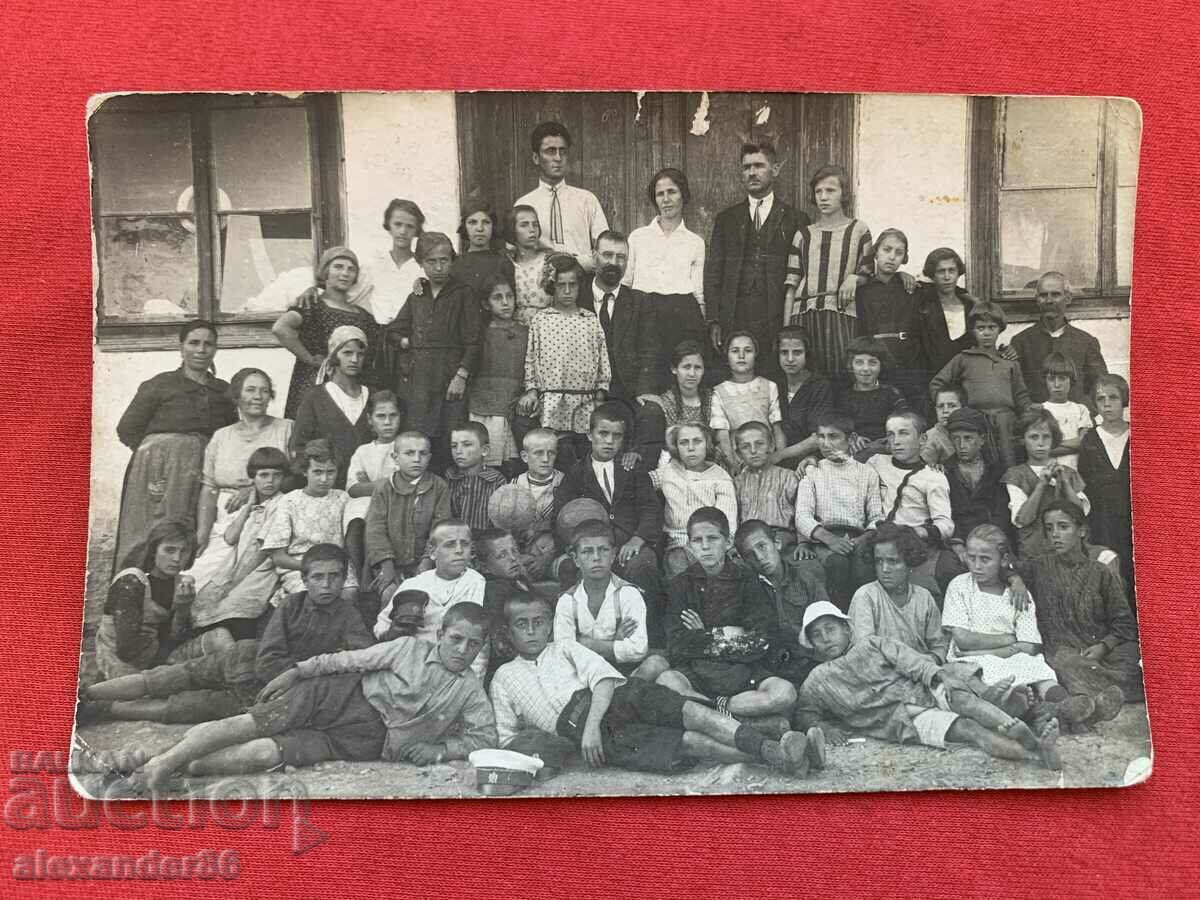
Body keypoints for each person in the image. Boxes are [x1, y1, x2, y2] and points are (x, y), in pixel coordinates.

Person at [128, 603, 496, 789]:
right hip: (340, 695)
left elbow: (485, 737)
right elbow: (346, 661)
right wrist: (298, 671)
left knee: (264, 752)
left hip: (368, 740)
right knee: (253, 724)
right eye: (456, 639)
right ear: (441, 633)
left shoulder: (470, 692)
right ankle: (162, 763)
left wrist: (441, 750)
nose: (462, 650)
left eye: (473, 644)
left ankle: (179, 764)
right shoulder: (407, 648)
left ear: (481, 647)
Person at [491, 592, 821, 777]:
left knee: (693, 714)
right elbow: (507, 739)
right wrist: (546, 753)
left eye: (539, 622)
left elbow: (604, 680)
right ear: (508, 632)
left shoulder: (564, 647)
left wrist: (591, 726)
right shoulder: (504, 679)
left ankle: (774, 747)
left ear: (549, 624)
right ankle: (782, 755)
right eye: (522, 624)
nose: (532, 631)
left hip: (613, 699)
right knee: (692, 743)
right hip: (585, 734)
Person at [82, 545, 378, 726]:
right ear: (304, 579)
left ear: (344, 578)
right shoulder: (290, 605)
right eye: (318, 577)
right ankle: (86, 695)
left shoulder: (349, 615)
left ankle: (105, 710)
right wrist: (300, 675)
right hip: (241, 659)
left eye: (334, 577)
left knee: (184, 709)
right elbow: (269, 654)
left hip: (262, 694)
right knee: (168, 678)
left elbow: (362, 658)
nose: (326, 585)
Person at [794, 602, 1062, 770]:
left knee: (962, 698)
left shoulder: (870, 645)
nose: (826, 638)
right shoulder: (817, 679)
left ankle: (1016, 727)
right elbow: (805, 712)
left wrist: (938, 676)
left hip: (920, 690)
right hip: (901, 722)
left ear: (846, 629)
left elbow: (909, 661)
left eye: (830, 629)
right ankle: (1038, 754)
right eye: (817, 635)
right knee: (970, 730)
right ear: (812, 645)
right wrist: (823, 728)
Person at [114, 320, 238, 569]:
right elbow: (127, 428)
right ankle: (137, 589)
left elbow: (230, 433)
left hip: (203, 471)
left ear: (215, 349)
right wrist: (160, 456)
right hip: (157, 472)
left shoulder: (223, 391)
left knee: (192, 526)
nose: (201, 350)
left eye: (208, 344)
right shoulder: (160, 384)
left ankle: (183, 593)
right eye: (194, 343)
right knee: (151, 529)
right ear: (181, 347)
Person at [657, 508, 796, 724]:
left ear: (728, 541)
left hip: (743, 673)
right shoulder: (680, 585)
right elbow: (677, 645)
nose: (705, 546)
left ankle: (718, 711)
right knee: (666, 681)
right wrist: (723, 634)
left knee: (784, 693)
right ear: (689, 545)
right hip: (697, 674)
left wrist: (702, 635)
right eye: (697, 540)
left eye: (712, 538)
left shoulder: (747, 580)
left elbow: (762, 639)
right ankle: (747, 721)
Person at [941, 526, 1084, 725]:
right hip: (971, 661)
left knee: (1038, 669)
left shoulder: (1017, 595)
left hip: (1010, 656)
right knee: (981, 677)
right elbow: (964, 640)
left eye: (985, 559)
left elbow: (1030, 645)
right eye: (971, 557)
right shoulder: (960, 586)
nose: (976, 566)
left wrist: (1009, 648)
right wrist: (1009, 640)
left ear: (1004, 560)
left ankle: (1067, 707)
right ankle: (1033, 714)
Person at [1015, 501, 1141, 724]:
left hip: (1100, 648)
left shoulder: (1100, 572)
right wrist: (1014, 579)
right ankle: (1098, 700)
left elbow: (1124, 623)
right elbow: (1006, 567)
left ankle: (1089, 697)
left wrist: (1104, 646)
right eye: (1049, 528)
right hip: (1063, 650)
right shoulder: (1038, 567)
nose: (1055, 535)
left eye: (1063, 527)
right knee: (1066, 665)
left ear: (1081, 530)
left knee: (1137, 657)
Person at [188, 368, 293, 605]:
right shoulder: (221, 436)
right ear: (236, 395)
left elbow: (296, 475)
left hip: (268, 514)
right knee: (199, 573)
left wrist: (253, 491)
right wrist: (203, 532)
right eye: (251, 390)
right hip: (225, 519)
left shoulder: (286, 428)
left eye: (264, 391)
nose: (258, 396)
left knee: (242, 580)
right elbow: (209, 487)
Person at [704, 141, 809, 376]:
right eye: (746, 167)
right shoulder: (727, 219)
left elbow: (805, 272)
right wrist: (714, 320)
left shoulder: (795, 219)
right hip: (734, 315)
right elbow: (713, 273)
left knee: (774, 376)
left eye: (759, 165)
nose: (752, 172)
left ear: (775, 169)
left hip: (775, 315)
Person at [554, 404, 664, 623]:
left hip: (629, 544)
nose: (609, 441)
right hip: (593, 545)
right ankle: (584, 631)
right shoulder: (576, 473)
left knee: (643, 566)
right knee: (574, 568)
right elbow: (562, 516)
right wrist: (577, 545)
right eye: (603, 434)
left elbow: (650, 508)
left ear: (623, 440)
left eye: (616, 436)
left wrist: (637, 539)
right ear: (589, 435)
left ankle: (649, 634)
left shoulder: (632, 469)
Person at [388, 232, 483, 473]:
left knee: (449, 439)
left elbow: (474, 340)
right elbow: (394, 331)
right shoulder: (417, 296)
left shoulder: (464, 293)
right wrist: (407, 342)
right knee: (421, 439)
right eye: (432, 261)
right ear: (420, 263)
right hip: (420, 381)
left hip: (450, 376)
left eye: (445, 260)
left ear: (453, 261)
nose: (439, 267)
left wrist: (461, 375)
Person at [96, 521, 233, 681]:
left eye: (184, 552)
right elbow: (126, 650)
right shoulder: (132, 582)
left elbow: (175, 637)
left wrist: (182, 608)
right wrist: (174, 663)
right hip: (123, 664)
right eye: (169, 550)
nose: (176, 558)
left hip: (158, 655)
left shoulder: (179, 584)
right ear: (154, 550)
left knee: (221, 637)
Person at [520, 253, 611, 466]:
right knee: (556, 452)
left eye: (573, 285)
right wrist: (532, 389)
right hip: (552, 400)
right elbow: (531, 358)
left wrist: (600, 393)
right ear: (553, 286)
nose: (568, 291)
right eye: (562, 285)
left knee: (584, 452)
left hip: (585, 400)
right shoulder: (542, 320)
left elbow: (602, 358)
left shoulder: (589, 320)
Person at [189, 446, 289, 640]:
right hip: (237, 564)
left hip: (260, 566)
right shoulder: (251, 504)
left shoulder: (281, 504)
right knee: (203, 600)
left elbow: (262, 549)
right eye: (264, 475)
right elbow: (230, 538)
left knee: (236, 603)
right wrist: (249, 506)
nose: (270, 481)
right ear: (253, 478)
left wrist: (236, 580)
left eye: (276, 475)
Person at [784, 164, 874, 376]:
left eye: (830, 190)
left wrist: (854, 278)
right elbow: (791, 286)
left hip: (842, 315)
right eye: (818, 192)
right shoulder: (803, 235)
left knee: (842, 375)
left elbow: (868, 273)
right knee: (808, 377)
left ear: (843, 194)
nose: (823, 197)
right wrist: (787, 329)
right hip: (804, 315)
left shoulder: (858, 230)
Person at [273, 247, 380, 420]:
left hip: (350, 386)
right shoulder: (313, 304)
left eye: (351, 269)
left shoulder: (363, 316)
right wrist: (309, 358)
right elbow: (281, 328)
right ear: (325, 272)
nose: (345, 273)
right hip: (314, 380)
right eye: (338, 267)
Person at [373, 519, 489, 678]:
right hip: (412, 666)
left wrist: (471, 680)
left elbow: (481, 645)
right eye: (450, 544)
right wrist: (393, 632)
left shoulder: (478, 584)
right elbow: (382, 625)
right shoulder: (415, 584)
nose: (459, 550)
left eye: (465, 544)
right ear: (432, 551)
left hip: (457, 672)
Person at [793, 412, 885, 610]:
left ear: (850, 439)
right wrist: (830, 540)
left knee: (863, 567)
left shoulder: (866, 472)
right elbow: (802, 516)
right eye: (821, 436)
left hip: (859, 538)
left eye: (833, 436)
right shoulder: (813, 471)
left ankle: (864, 618)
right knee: (837, 564)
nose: (826, 443)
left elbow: (877, 516)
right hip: (825, 539)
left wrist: (862, 540)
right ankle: (840, 618)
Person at [863, 411, 962, 594]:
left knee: (948, 567)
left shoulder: (932, 476)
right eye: (891, 434)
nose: (896, 441)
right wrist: (810, 460)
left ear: (922, 439)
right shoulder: (875, 462)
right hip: (878, 537)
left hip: (914, 541)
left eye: (904, 433)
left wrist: (918, 531)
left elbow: (945, 523)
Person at [625, 168, 707, 383]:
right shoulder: (638, 237)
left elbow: (698, 291)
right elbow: (626, 281)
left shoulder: (694, 242)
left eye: (672, 192)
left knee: (678, 378)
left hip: (681, 317)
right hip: (644, 315)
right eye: (660, 194)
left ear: (684, 195)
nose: (666, 199)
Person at [554, 519, 664, 679]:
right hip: (586, 674)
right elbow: (562, 652)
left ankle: (619, 696)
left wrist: (587, 644)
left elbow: (638, 649)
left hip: (626, 672)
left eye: (603, 550)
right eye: (587, 551)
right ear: (576, 559)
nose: (596, 557)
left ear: (613, 555)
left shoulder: (628, 594)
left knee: (656, 664)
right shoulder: (568, 601)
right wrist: (615, 640)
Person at [854, 229, 948, 410]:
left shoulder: (912, 288)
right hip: (878, 361)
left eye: (899, 252)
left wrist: (972, 299)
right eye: (887, 250)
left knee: (914, 410)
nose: (892, 257)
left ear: (904, 257)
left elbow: (946, 290)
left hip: (909, 360)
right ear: (876, 252)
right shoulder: (864, 290)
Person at [928, 302, 1030, 468]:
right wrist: (953, 408)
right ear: (973, 331)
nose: (986, 333)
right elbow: (937, 383)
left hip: (1006, 421)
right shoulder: (964, 359)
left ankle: (1010, 491)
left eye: (992, 327)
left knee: (1008, 461)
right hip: (975, 420)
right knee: (979, 462)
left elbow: (1021, 395)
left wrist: (1030, 415)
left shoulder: (1009, 362)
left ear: (1000, 329)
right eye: (981, 328)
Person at [259, 439, 357, 604]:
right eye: (317, 472)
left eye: (330, 472)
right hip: (300, 566)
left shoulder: (343, 498)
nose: (325, 479)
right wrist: (310, 567)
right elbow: (278, 557)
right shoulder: (289, 501)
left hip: (335, 566)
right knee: (312, 597)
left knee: (349, 593)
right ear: (305, 471)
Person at [734, 519, 828, 689]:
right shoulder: (745, 591)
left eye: (762, 546)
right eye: (750, 555)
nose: (760, 558)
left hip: (810, 665)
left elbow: (826, 623)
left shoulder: (805, 580)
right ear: (744, 560)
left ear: (777, 543)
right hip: (771, 674)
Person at [364, 431, 452, 597]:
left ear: (430, 456)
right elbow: (375, 530)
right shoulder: (384, 488)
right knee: (389, 595)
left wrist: (427, 561)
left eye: (423, 453)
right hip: (389, 563)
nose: (417, 459)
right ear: (395, 457)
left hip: (427, 562)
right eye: (409, 453)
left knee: (427, 595)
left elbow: (440, 528)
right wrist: (386, 565)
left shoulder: (439, 487)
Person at [291, 325, 379, 488]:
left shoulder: (373, 396)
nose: (354, 359)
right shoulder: (316, 397)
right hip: (327, 486)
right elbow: (300, 446)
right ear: (334, 356)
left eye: (360, 354)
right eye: (347, 353)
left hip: (366, 487)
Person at [577, 230, 657, 409]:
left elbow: (649, 352)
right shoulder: (576, 297)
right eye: (607, 255)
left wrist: (643, 390)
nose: (614, 262)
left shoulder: (640, 302)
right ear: (594, 256)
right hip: (581, 391)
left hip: (626, 393)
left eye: (621, 257)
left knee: (652, 415)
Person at [848, 524, 948, 663]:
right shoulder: (866, 596)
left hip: (923, 671)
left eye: (893, 561)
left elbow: (939, 645)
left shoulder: (924, 597)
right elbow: (865, 650)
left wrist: (932, 659)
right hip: (881, 675)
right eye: (879, 561)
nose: (885, 569)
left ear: (909, 562)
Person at [515, 121, 609, 270]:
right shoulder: (524, 205)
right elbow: (516, 255)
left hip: (581, 281)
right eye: (550, 151)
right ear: (536, 158)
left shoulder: (586, 200)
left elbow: (606, 250)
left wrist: (575, 262)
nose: (558, 158)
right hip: (538, 285)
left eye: (562, 151)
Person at [652, 423, 738, 577]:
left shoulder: (720, 477)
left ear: (707, 444)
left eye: (697, 441)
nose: (691, 448)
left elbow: (728, 521)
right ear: (676, 447)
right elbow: (643, 482)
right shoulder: (669, 471)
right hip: (679, 545)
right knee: (680, 571)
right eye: (684, 443)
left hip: (712, 544)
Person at [1011, 272, 1108, 407]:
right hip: (1036, 422)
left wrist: (1083, 413)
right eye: (1043, 295)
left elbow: (1100, 386)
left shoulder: (1086, 342)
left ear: (1068, 298)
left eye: (1055, 294)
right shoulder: (1020, 342)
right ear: (1037, 299)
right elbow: (1014, 388)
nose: (1049, 300)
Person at [1003, 409, 1090, 559]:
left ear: (1054, 440)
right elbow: (1022, 520)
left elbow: (1081, 513)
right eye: (1034, 437)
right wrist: (1042, 484)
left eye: (1046, 437)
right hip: (1034, 556)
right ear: (1023, 440)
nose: (1041, 443)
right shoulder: (1016, 474)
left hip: (1069, 554)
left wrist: (1065, 483)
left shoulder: (1068, 473)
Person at [1077, 375, 1133, 596]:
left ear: (1124, 400)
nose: (1107, 404)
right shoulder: (1091, 440)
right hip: (1103, 521)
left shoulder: (1138, 434)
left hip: (1133, 518)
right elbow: (1084, 485)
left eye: (1113, 397)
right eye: (1101, 399)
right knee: (1110, 574)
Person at [343, 391, 404, 584]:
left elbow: (402, 483)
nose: (387, 422)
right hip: (365, 504)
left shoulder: (405, 446)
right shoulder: (363, 451)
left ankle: (375, 570)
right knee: (356, 523)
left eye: (393, 416)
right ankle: (359, 572)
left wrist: (369, 484)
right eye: (381, 416)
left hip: (396, 504)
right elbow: (353, 488)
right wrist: (381, 483)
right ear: (370, 420)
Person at [636, 340, 727, 470]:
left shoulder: (712, 398)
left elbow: (720, 438)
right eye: (686, 367)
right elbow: (670, 444)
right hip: (676, 466)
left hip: (708, 463)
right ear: (674, 369)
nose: (692, 374)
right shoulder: (665, 401)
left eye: (697, 368)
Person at [469, 274, 527, 472]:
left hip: (514, 404)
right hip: (485, 406)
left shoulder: (525, 332)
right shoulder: (480, 334)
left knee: (512, 463)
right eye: (498, 298)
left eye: (509, 296)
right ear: (486, 304)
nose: (505, 303)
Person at [474, 528, 542, 688]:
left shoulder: (517, 581)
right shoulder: (494, 590)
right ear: (484, 566)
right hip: (514, 669)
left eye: (515, 551)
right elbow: (501, 646)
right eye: (502, 555)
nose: (513, 559)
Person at [942, 408, 1011, 562]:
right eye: (956, 439)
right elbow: (946, 513)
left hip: (992, 538)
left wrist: (992, 541)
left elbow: (1002, 511)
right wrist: (958, 545)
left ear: (981, 440)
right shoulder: (945, 471)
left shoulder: (995, 470)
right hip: (958, 542)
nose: (961, 445)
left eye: (968, 438)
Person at [711, 332, 787, 470]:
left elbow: (777, 428)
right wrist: (734, 466)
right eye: (735, 351)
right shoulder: (718, 392)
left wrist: (778, 460)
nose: (741, 356)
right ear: (727, 358)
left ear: (756, 356)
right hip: (736, 462)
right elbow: (722, 435)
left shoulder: (770, 386)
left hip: (767, 460)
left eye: (748, 350)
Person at [350, 199, 426, 327]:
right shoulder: (374, 264)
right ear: (389, 226)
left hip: (411, 336)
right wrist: (316, 291)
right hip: (379, 335)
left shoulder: (422, 267)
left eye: (410, 226)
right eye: (398, 224)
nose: (403, 231)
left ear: (416, 231)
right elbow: (349, 296)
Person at [834, 336, 906, 461]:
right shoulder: (843, 396)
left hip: (886, 449)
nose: (866, 368)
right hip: (856, 451)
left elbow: (904, 421)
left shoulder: (891, 393)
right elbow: (838, 425)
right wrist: (852, 438)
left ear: (881, 365)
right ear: (851, 365)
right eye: (859, 362)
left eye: (872, 362)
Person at [773, 326, 835, 469]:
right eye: (784, 352)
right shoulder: (775, 384)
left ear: (807, 354)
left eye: (797, 353)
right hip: (778, 461)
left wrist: (780, 455)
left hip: (811, 459)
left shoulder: (820, 386)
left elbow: (818, 437)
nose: (790, 359)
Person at [732, 421, 800, 549]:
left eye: (759, 444)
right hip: (748, 541)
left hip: (783, 538)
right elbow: (734, 520)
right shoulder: (737, 483)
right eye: (746, 447)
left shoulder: (789, 477)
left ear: (771, 446)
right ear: (739, 454)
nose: (753, 451)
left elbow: (801, 517)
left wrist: (802, 543)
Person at [508, 428, 564, 579]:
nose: (545, 459)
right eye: (538, 453)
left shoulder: (565, 483)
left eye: (551, 453)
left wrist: (548, 555)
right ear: (525, 457)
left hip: (554, 550)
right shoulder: (514, 485)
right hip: (522, 551)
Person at [446, 421, 506, 533]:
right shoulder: (450, 477)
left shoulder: (497, 481)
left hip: (486, 542)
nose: (458, 451)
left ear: (484, 450)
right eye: (454, 446)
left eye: (467, 445)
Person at [451, 200, 515, 303]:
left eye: (486, 222)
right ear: (464, 226)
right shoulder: (456, 264)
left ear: (493, 226)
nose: (480, 228)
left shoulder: (503, 263)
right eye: (472, 222)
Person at [1040, 352, 1094, 471]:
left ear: (1071, 380)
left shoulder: (1080, 410)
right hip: (1046, 474)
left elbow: (1084, 443)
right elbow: (1038, 449)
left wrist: (1051, 447)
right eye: (1051, 379)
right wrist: (1075, 444)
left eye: (1062, 378)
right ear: (1045, 381)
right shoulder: (1039, 410)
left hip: (1076, 474)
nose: (1057, 384)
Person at [508, 205, 550, 326]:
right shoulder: (508, 264)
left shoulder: (548, 261)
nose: (532, 230)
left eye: (535, 224)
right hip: (517, 332)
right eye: (524, 225)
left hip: (548, 329)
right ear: (512, 229)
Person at [921, 385, 966, 467]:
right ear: (935, 409)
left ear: (963, 408)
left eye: (952, 406)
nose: (945, 411)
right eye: (941, 406)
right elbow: (923, 471)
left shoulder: (969, 432)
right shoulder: (933, 438)